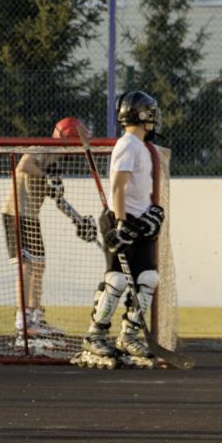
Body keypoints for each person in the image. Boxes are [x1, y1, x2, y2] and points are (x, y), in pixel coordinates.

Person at [74, 91, 167, 370]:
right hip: (121, 220)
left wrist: (149, 213)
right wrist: (121, 224)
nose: (154, 118)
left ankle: (128, 335)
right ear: (140, 115)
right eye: (150, 112)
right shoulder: (127, 144)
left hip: (137, 221)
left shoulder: (142, 147)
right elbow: (117, 187)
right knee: (117, 280)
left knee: (148, 278)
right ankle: (95, 333)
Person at [3, 116, 100, 354]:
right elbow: (23, 165)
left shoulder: (56, 161)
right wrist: (45, 178)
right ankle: (22, 321)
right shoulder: (42, 148)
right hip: (16, 213)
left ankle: (35, 317)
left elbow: (57, 198)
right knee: (26, 265)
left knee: (39, 265)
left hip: (31, 216)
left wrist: (77, 219)